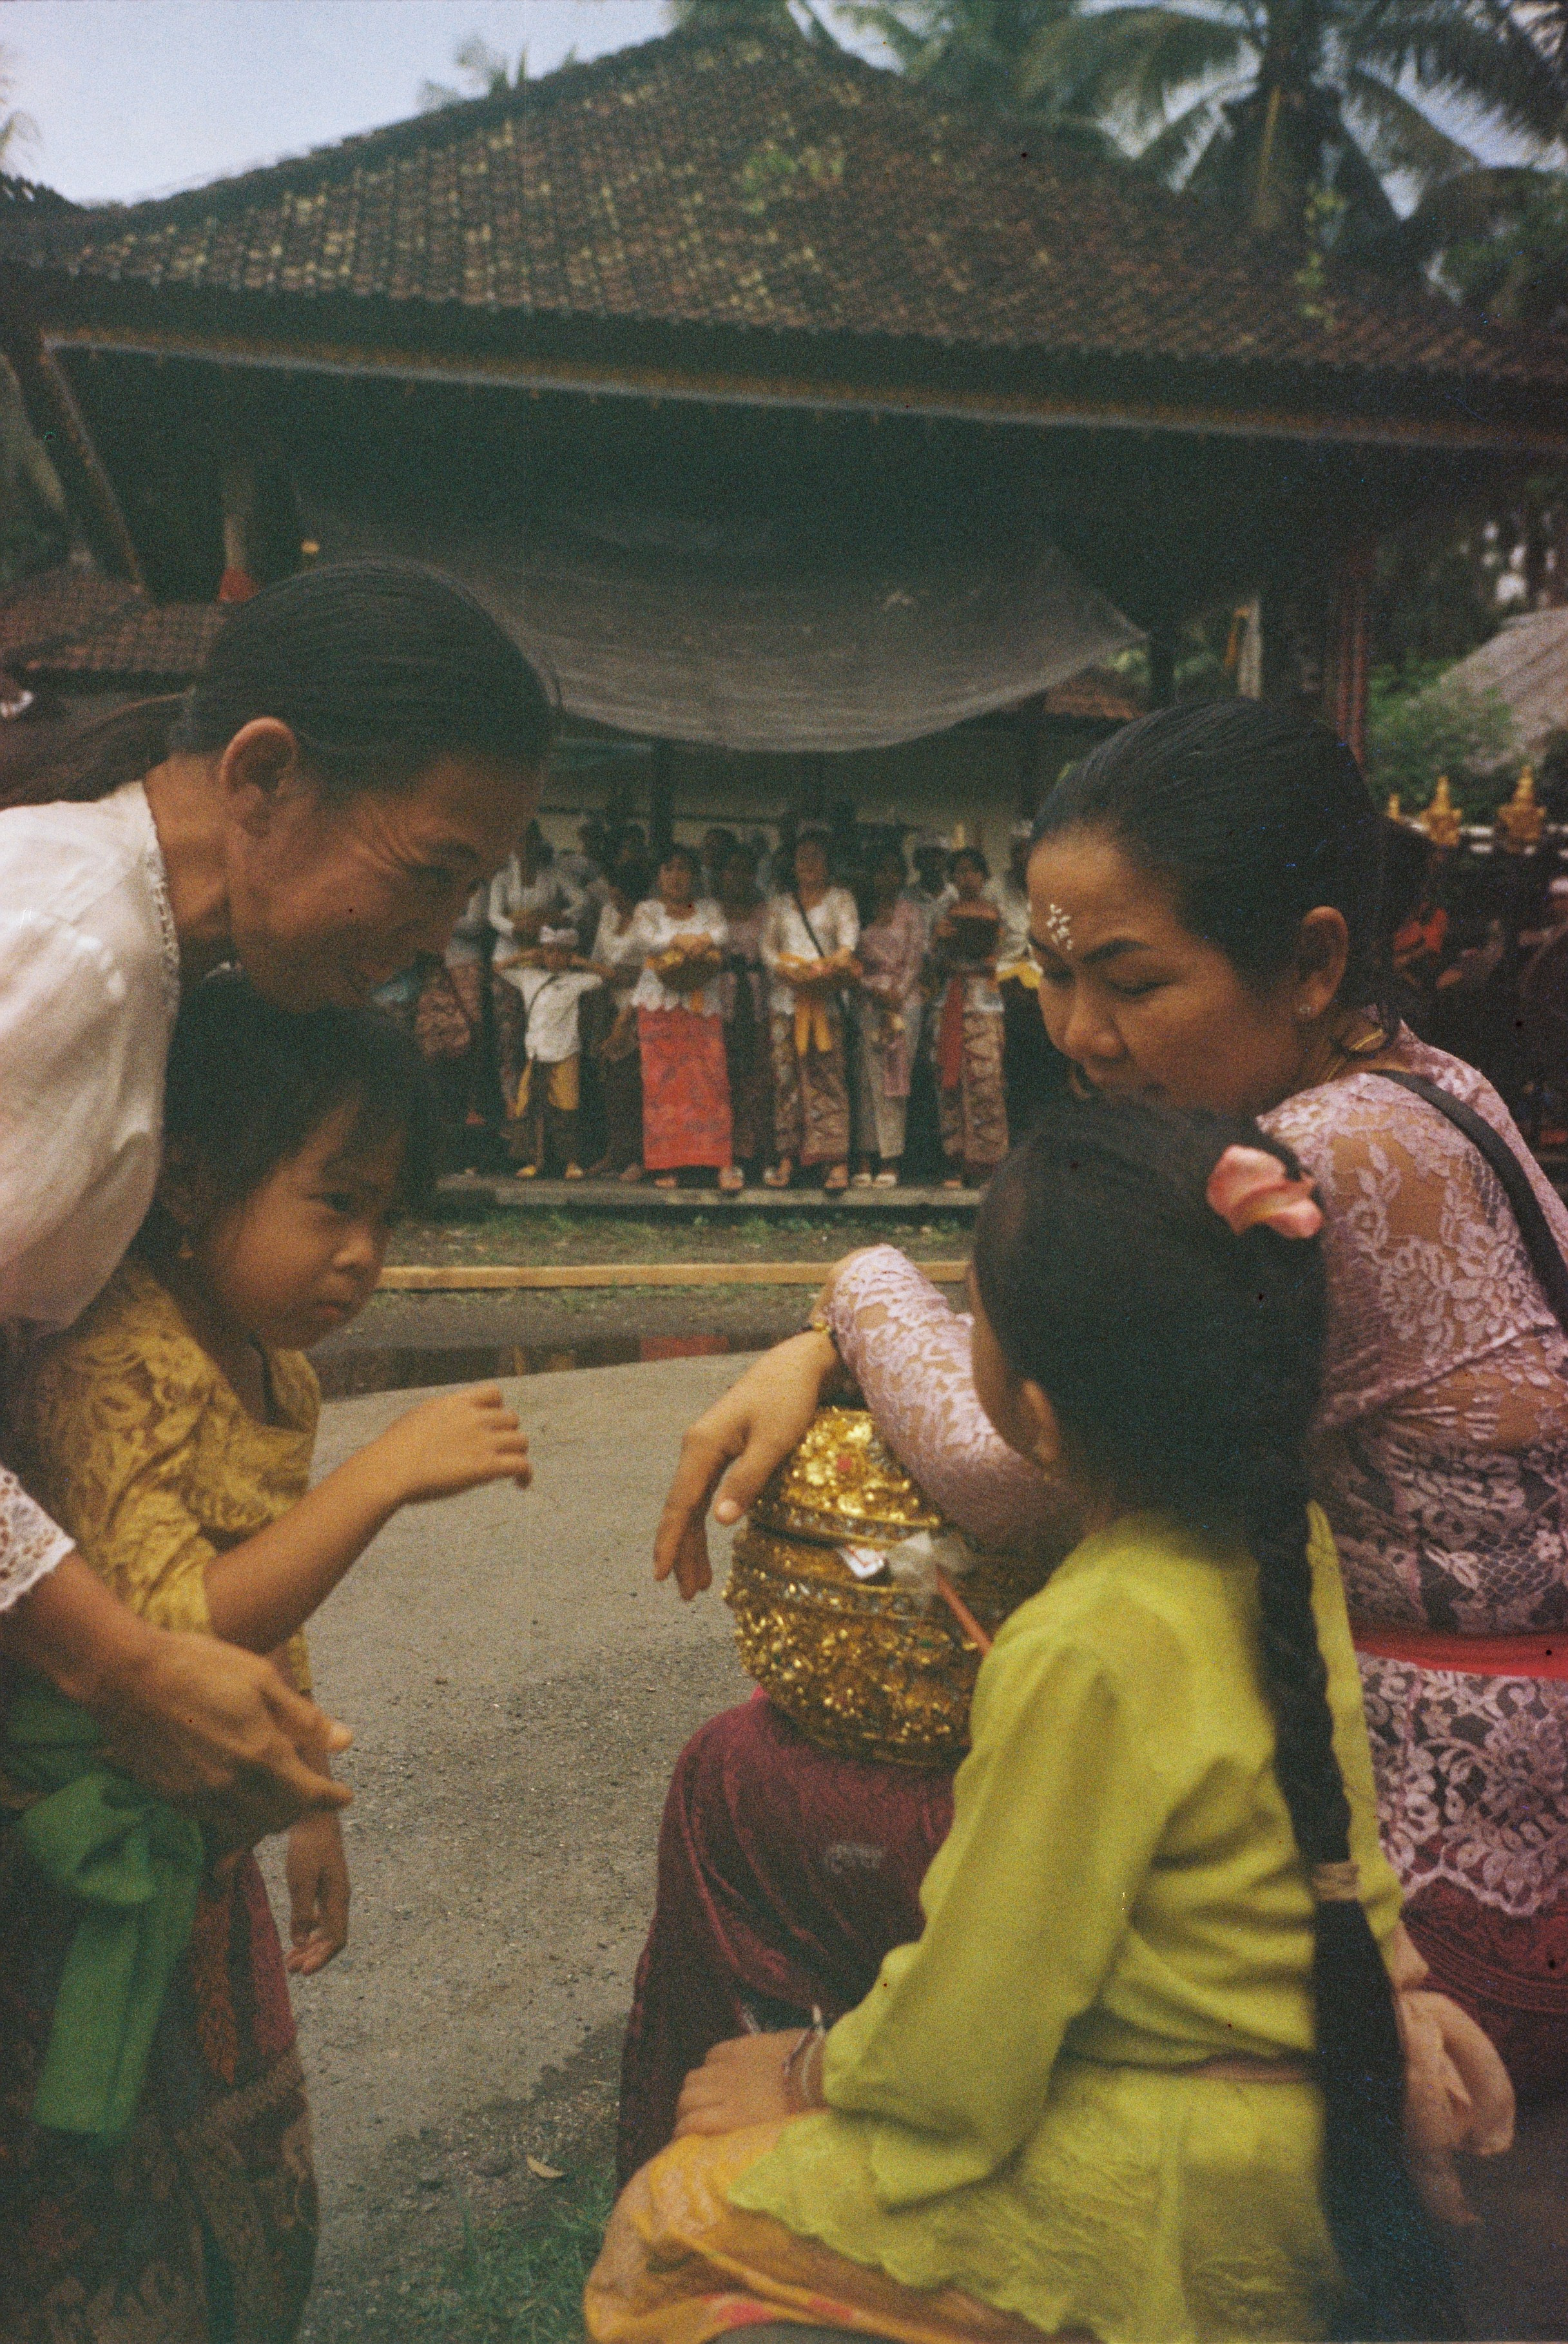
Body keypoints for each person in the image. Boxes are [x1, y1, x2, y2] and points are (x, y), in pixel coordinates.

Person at [632, 699, 1568, 2181]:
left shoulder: (1307, 1163)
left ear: (1313, 958)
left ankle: (736, 2159)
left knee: (744, 1777)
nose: (1076, 1033)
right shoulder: (1431, 1091)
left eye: (1127, 979)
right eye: (1052, 973)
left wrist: (853, 1292)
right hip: (1489, 1803)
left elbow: (1005, 1467)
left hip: (1435, 1871)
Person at [592, 1099, 1501, 2344]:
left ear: (1036, 1414)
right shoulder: (1285, 1551)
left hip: (1169, 2184)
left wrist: (799, 2076)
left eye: (974, 1315)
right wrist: (1396, 1986)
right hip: (1302, 2139)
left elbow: (973, 2038)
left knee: (671, 2214)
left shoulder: (1083, 1643)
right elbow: (1339, 1842)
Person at [1, 974, 532, 2341]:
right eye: (332, 1202)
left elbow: (255, 1602)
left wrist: (302, 1789)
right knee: (91, 2191)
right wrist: (371, 1487)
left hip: (202, 1822)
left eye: (386, 1215)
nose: (364, 1253)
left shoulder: (272, 1371)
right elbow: (165, 1631)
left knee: (250, 2181)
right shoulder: (117, 1360)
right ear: (186, 1184)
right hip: (71, 1846)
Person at [0, 556, 550, 1843]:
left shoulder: (140, 943)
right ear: (261, 776)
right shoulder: (79, 949)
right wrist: (120, 1666)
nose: (435, 939)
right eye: (429, 873)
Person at [628, 847, 739, 1193]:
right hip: (658, 1003)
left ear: (694, 875)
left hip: (700, 1001)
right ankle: (667, 1161)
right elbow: (646, 938)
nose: (677, 876)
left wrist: (701, 939)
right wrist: (679, 939)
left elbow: (722, 933)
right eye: (669, 869)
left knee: (709, 1078)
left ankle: (719, 1161)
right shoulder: (646, 910)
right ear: (658, 875)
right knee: (663, 1082)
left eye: (684, 869)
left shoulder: (709, 909)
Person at [762, 831, 860, 1193]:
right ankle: (788, 1156)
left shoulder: (841, 899)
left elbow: (848, 944)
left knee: (828, 1077)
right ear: (792, 864)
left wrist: (826, 969)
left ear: (828, 862)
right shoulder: (780, 904)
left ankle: (835, 1161)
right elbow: (767, 949)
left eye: (817, 857)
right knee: (785, 1078)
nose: (809, 865)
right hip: (786, 1001)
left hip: (825, 1000)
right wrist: (785, 971)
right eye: (802, 858)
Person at [928, 846, 1009, 1189]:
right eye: (959, 872)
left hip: (984, 999)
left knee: (986, 1077)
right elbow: (930, 962)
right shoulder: (941, 912)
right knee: (951, 1077)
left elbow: (1004, 954)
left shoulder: (997, 912)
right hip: (951, 998)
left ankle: (989, 1163)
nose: (966, 878)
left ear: (984, 876)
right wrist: (939, 941)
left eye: (972, 871)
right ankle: (955, 1162)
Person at [495, 925, 602, 1179]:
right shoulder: (528, 976)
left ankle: (571, 1162)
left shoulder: (577, 980)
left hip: (565, 1051)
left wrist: (579, 962)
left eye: (561, 952)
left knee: (566, 1106)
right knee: (530, 1105)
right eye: (549, 951)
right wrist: (527, 956)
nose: (554, 957)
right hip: (536, 1051)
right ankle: (535, 1160)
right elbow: (498, 968)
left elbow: (607, 976)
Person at [850, 844, 925, 1186]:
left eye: (895, 871)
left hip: (902, 1003)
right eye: (882, 870)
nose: (888, 878)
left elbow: (915, 957)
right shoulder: (859, 910)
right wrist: (870, 987)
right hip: (866, 1001)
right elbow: (849, 959)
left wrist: (896, 994)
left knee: (895, 1082)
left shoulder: (911, 911)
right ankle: (865, 1157)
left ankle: (892, 1159)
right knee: (866, 1080)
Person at [993, 820, 1061, 1137]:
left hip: (1046, 981)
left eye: (1029, 851)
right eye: (1017, 851)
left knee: (1048, 1066)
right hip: (1000, 983)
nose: (1023, 858)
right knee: (1008, 1068)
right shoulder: (994, 889)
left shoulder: (1054, 888)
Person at [586, 858, 652, 1182]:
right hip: (607, 1000)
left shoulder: (647, 916)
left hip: (638, 1005)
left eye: (620, 894)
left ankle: (639, 1156)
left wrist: (618, 978)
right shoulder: (609, 913)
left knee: (635, 1084)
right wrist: (606, 977)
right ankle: (614, 1152)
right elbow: (598, 956)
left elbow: (647, 970)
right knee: (610, 1083)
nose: (614, 899)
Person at [715, 845, 773, 1184]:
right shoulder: (710, 911)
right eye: (731, 869)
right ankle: (728, 1154)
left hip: (757, 997)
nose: (738, 877)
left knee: (760, 1074)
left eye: (745, 870)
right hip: (721, 998)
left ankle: (761, 1152)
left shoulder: (766, 911)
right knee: (725, 1075)